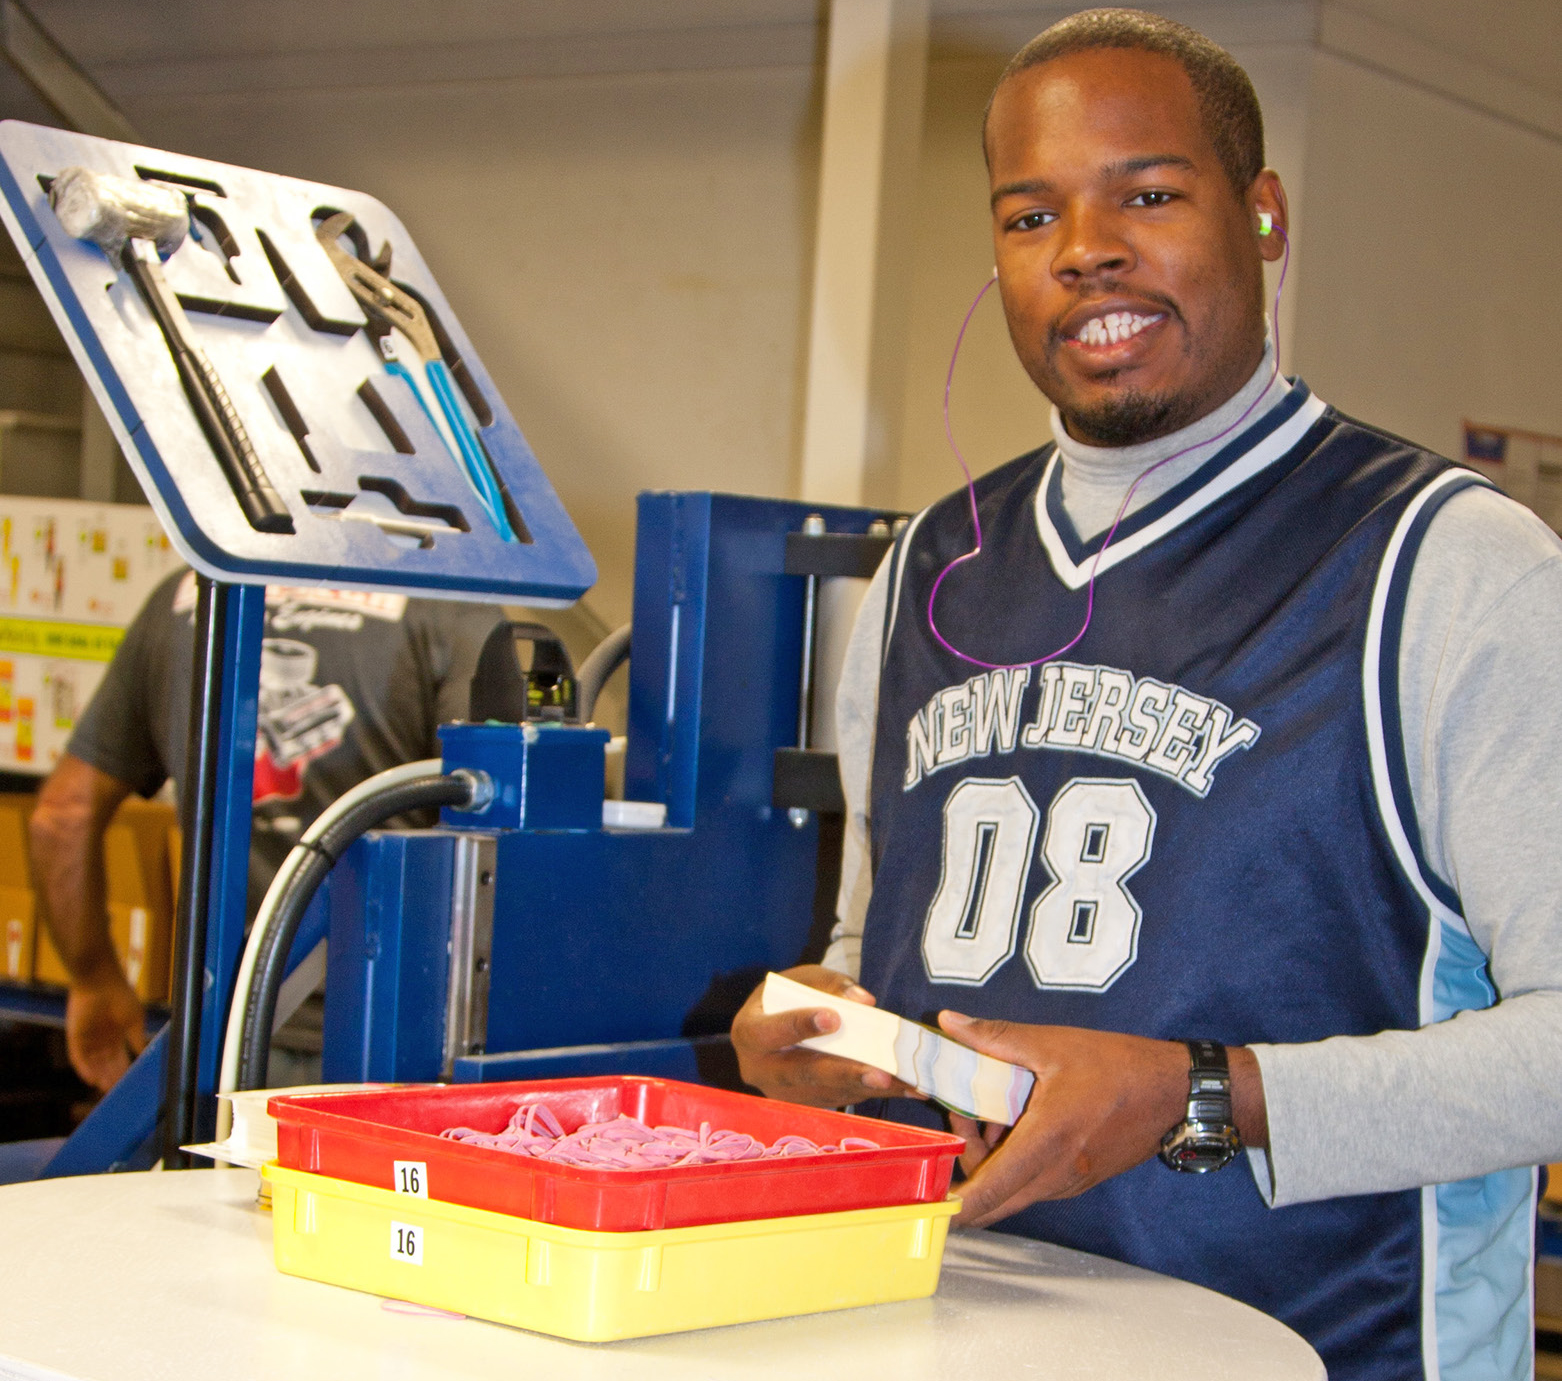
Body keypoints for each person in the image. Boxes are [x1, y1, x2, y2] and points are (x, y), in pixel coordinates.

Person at [731, 10, 1562, 1379]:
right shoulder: (926, 567)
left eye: (1149, 193)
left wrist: (1199, 1098)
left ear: (1263, 214)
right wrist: (816, 1032)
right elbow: (873, 941)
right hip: (943, 1338)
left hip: (1327, 1350)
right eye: (1028, 212)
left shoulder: (1448, 565)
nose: (1084, 249)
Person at [30, 569, 520, 1095]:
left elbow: (63, 817)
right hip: (394, 1043)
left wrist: (94, 977)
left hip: (222, 1039)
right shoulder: (450, 602)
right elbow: (505, 821)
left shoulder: (191, 589)